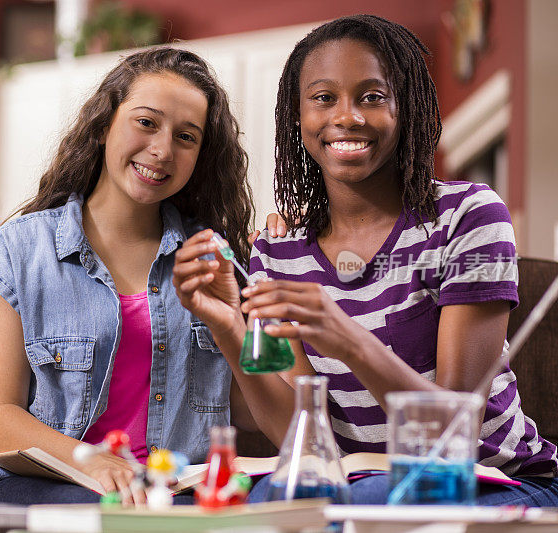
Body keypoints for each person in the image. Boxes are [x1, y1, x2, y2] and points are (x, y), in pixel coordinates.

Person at [173, 14, 558, 506]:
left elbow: (454, 432)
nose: (347, 117)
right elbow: (296, 429)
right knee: (266, 502)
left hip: (496, 481)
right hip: (358, 485)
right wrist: (229, 325)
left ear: (406, 109)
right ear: (297, 115)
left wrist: (349, 340)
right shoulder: (277, 251)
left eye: (372, 97)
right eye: (323, 98)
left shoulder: (468, 217)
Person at [0, 47, 254, 506]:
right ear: (103, 126)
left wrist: (280, 257)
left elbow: (262, 403)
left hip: (168, 490)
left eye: (186, 137)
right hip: (45, 482)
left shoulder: (212, 259)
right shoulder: (20, 249)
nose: (161, 150)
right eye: (146, 122)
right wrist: (91, 461)